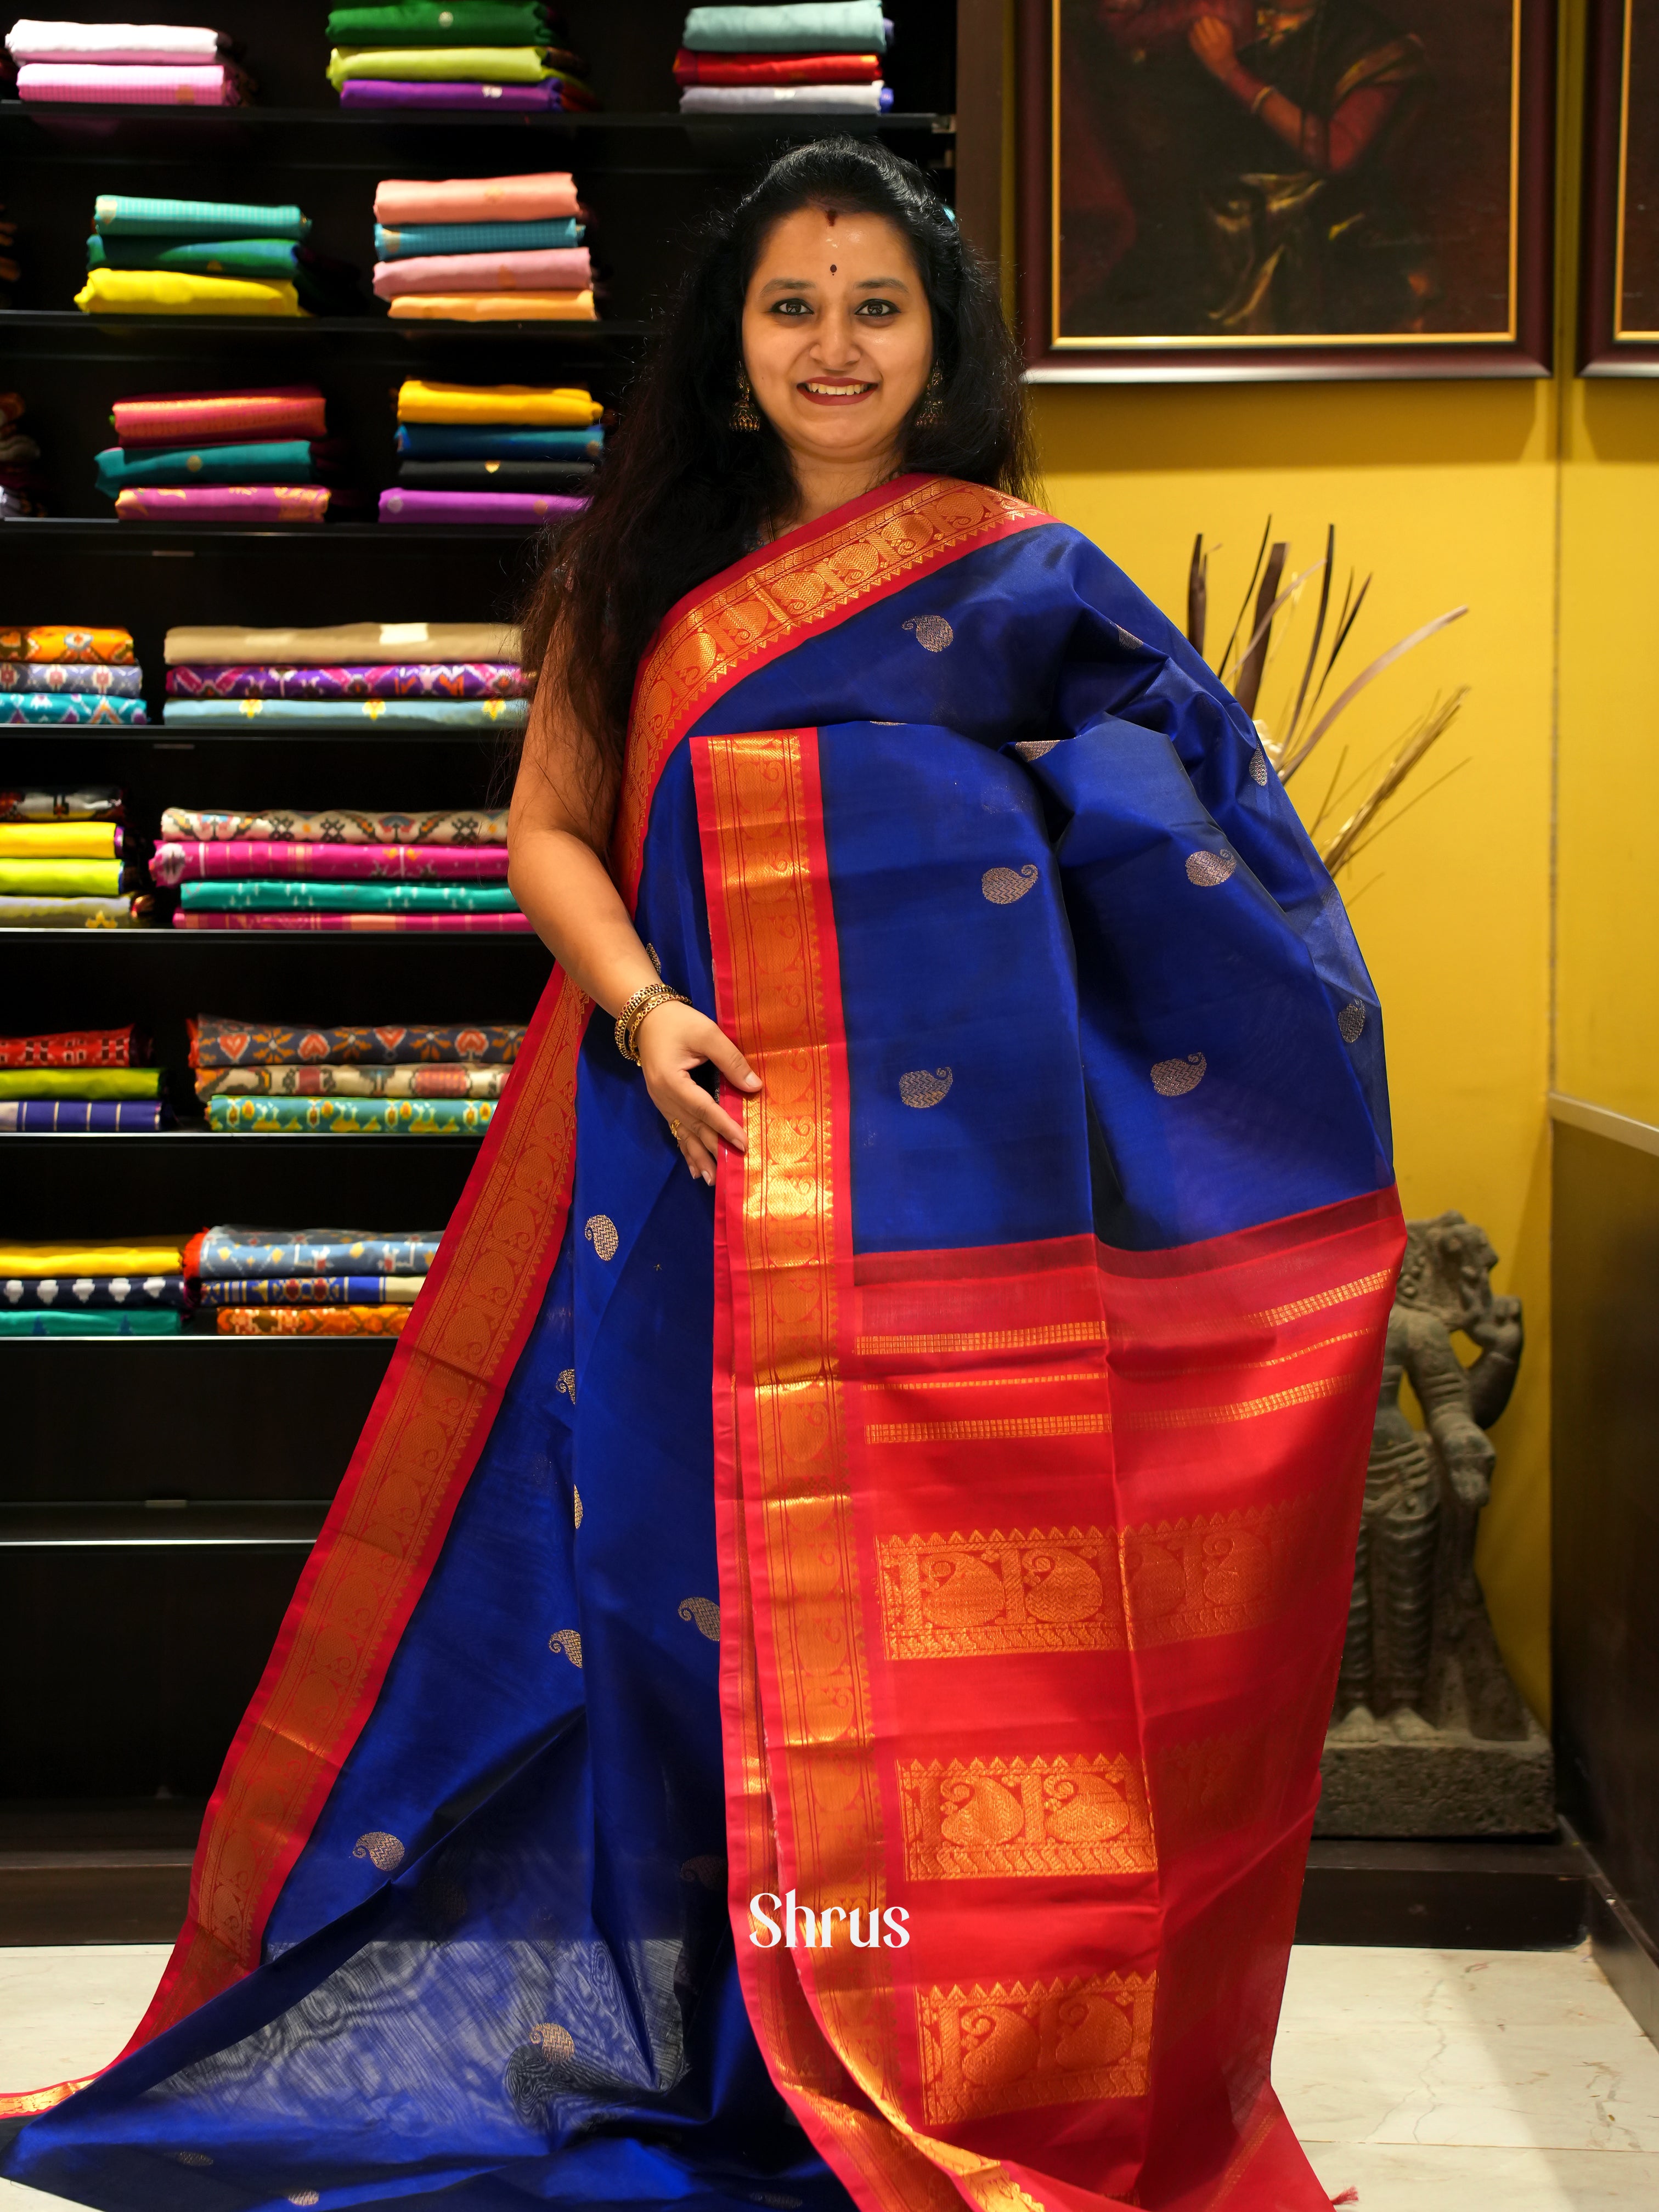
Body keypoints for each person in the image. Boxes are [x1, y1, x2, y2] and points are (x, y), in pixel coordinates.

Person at [1, 138, 1404, 2212]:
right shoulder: (639, 570)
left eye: (877, 307)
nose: (833, 345)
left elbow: (1200, 852)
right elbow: (546, 833)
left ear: (942, 346)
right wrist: (646, 1007)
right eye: (790, 306)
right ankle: (721, 2037)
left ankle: (929, 2035)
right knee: (678, 1609)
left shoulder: (1025, 576)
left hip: (952, 1236)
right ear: (732, 347)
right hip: (687, 1167)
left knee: (951, 1655)